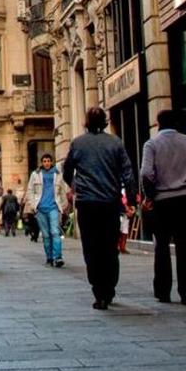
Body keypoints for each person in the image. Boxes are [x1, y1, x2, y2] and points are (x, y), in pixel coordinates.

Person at [63, 107, 136, 310]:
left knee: (91, 247)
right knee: (109, 246)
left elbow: (67, 170)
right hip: (110, 202)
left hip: (87, 203)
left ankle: (98, 290)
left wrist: (75, 186)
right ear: (104, 121)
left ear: (86, 121)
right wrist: (131, 199)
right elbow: (128, 173)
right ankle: (109, 287)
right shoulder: (115, 142)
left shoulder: (78, 143)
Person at [141, 109, 186, 305]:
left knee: (162, 247)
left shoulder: (152, 144)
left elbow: (146, 173)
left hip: (162, 201)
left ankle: (163, 292)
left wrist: (150, 195)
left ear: (158, 124)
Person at [23, 153, 70, 267]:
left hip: (54, 207)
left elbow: (62, 191)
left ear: (51, 162)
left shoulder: (58, 174)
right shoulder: (35, 174)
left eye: (48, 161)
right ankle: (49, 257)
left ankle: (58, 257)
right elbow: (30, 190)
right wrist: (34, 206)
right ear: (42, 162)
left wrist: (63, 206)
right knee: (46, 235)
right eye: (44, 161)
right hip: (41, 208)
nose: (47, 163)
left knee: (55, 232)